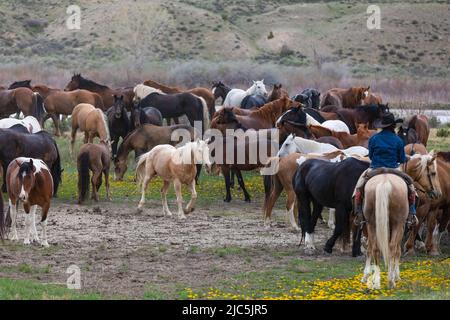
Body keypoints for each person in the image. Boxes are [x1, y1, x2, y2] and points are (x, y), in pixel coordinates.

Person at [353, 112, 418, 228]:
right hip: (394, 169)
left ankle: (358, 212)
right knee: (411, 188)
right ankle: (412, 213)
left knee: (358, 187)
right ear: (393, 126)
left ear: (382, 125)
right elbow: (401, 158)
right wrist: (406, 158)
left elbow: (371, 156)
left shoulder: (373, 138)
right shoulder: (398, 140)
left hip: (375, 168)